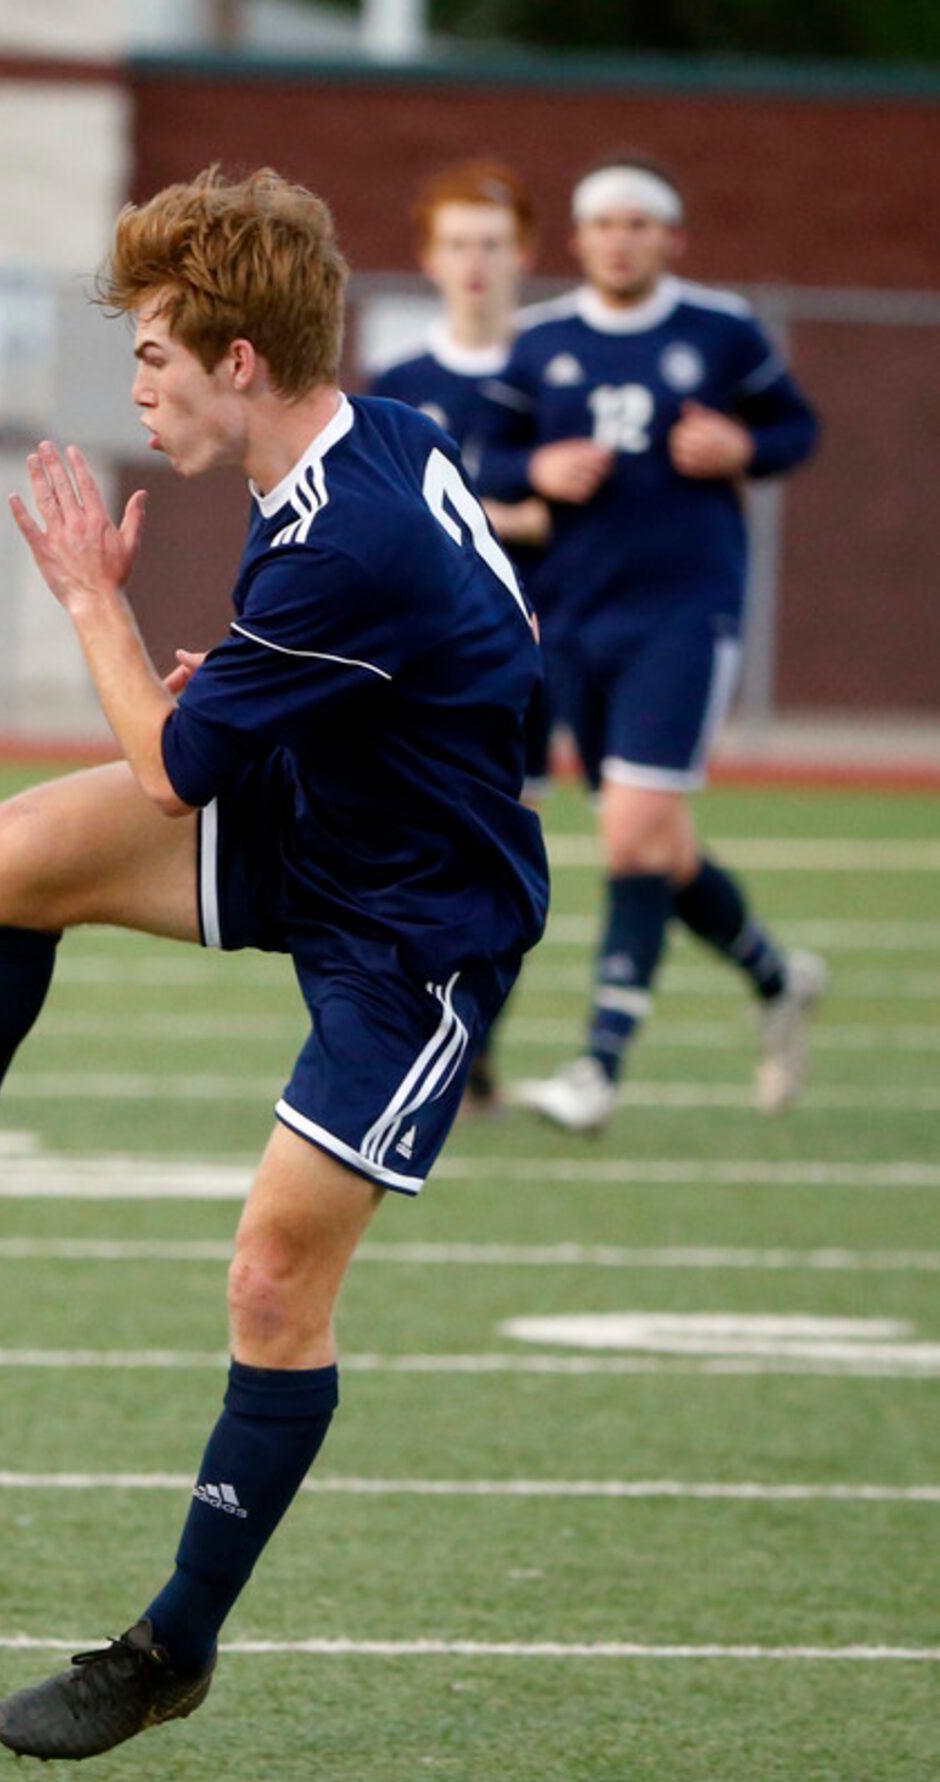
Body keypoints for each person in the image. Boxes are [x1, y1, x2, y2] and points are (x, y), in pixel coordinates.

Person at [0, 168, 548, 1760]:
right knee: (8, 857)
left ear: (242, 357)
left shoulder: (348, 529)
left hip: (418, 934)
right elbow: (485, 629)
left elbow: (173, 769)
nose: (139, 385)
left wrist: (99, 601)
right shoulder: (375, 444)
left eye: (157, 353)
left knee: (271, 1279)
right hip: (331, 819)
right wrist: (281, 692)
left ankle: (171, 1643)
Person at [480, 156, 824, 1132]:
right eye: (604, 224)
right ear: (579, 241)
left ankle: (598, 1069)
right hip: (576, 618)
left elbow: (797, 428)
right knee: (659, 846)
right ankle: (775, 976)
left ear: (671, 239)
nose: (620, 239)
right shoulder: (541, 342)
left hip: (684, 613)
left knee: (630, 832)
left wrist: (745, 449)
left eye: (640, 223)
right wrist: (534, 464)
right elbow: (485, 455)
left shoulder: (718, 329)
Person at [369, 157, 552, 1112]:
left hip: (537, 645)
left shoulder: (555, 371)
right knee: (416, 839)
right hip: (427, 656)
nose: (475, 262)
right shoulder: (401, 383)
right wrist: (509, 513)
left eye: (492, 243)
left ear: (524, 253)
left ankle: (473, 1047)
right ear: (428, 257)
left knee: (511, 850)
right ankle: (429, 1033)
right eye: (456, 243)